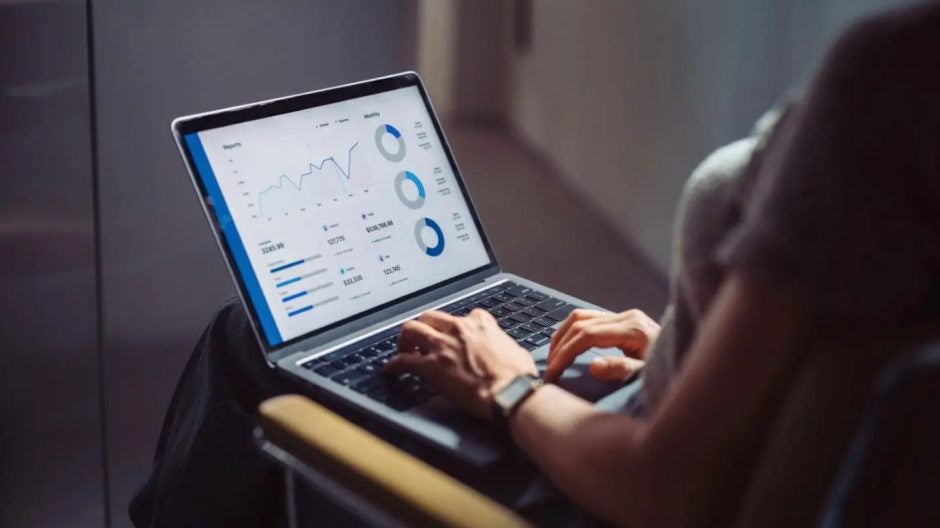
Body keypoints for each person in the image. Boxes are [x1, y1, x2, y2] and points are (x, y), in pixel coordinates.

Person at [131, 2, 940, 526]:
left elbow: (661, 493)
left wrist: (507, 388)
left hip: (587, 488)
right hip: (666, 422)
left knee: (250, 343)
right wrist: (681, 351)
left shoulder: (889, 76)